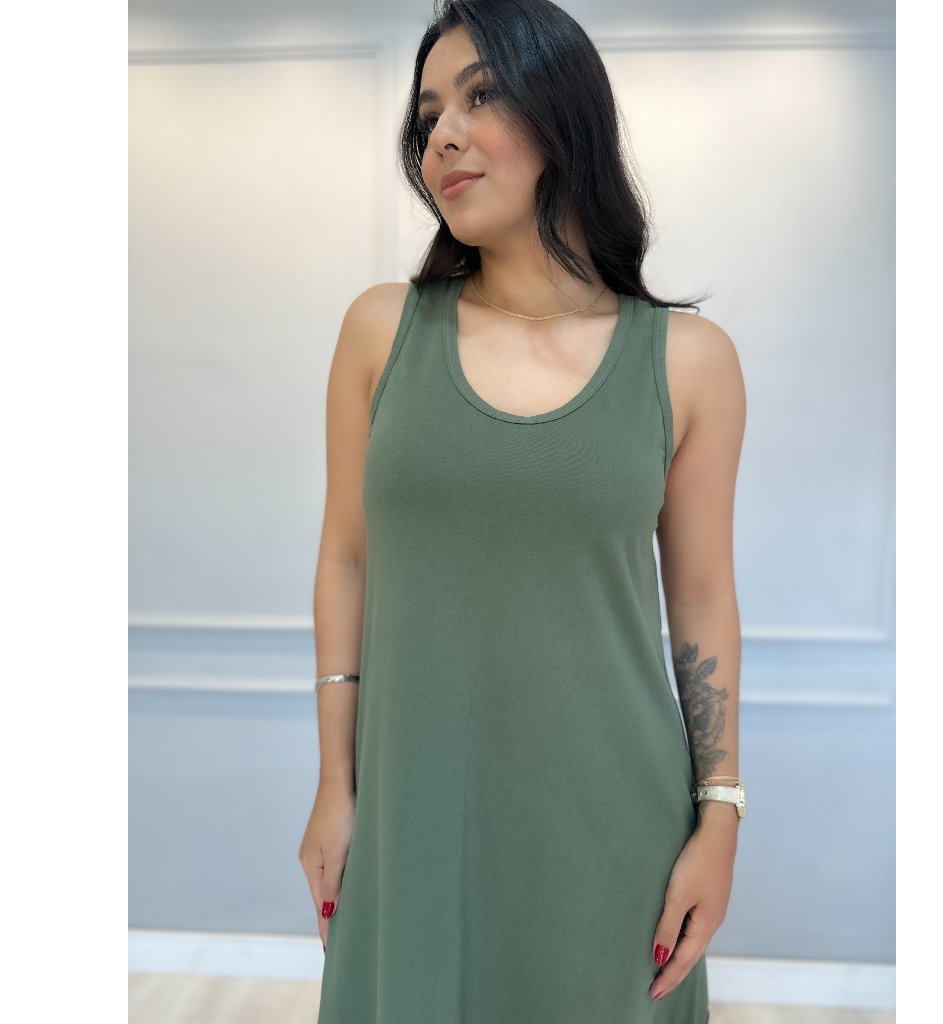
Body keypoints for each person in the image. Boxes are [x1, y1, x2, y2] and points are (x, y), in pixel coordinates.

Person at [298, 1, 746, 1021]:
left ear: (561, 115)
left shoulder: (688, 363)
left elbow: (703, 601)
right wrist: (334, 782)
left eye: (480, 96)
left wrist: (718, 817)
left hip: (614, 825)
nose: (441, 137)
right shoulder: (381, 332)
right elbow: (345, 561)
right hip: (413, 814)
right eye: (427, 118)